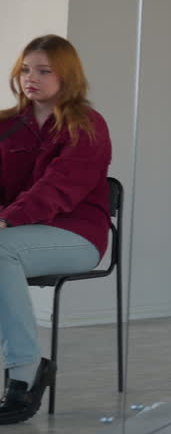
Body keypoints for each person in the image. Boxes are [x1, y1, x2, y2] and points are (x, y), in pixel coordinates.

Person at [0, 35, 112, 424]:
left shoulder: (87, 126)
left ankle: (25, 370)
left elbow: (58, 188)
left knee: (0, 250)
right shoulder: (6, 125)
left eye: (44, 71)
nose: (31, 78)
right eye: (25, 70)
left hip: (75, 235)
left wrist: (6, 219)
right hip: (16, 232)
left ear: (67, 76)